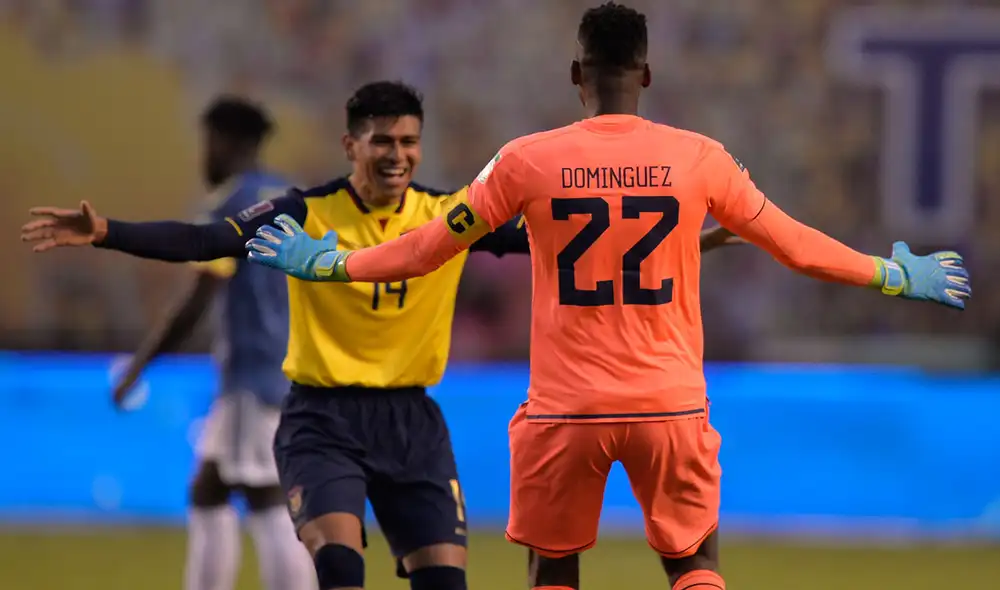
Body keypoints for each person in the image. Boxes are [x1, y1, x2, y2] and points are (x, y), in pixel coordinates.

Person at [240, 5, 972, 590]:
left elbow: (432, 243)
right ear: (646, 74)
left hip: (567, 409)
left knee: (554, 570)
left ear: (575, 73)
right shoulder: (700, 158)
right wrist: (892, 274)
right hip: (670, 403)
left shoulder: (526, 160)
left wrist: (332, 264)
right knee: (693, 565)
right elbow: (793, 244)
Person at [20, 78, 737, 590]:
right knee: (339, 567)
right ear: (350, 144)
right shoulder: (302, 212)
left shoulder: (454, 213)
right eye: (381, 142)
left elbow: (565, 241)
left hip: (412, 423)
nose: (396, 155)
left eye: (408, 142)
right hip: (321, 418)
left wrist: (686, 243)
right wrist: (107, 232)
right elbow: (204, 238)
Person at [123, 97, 317, 590]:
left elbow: (197, 300)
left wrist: (138, 366)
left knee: (265, 496)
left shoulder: (231, 208)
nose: (203, 155)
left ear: (229, 143)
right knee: (209, 488)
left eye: (208, 143)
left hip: (252, 374)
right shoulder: (291, 197)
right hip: (290, 367)